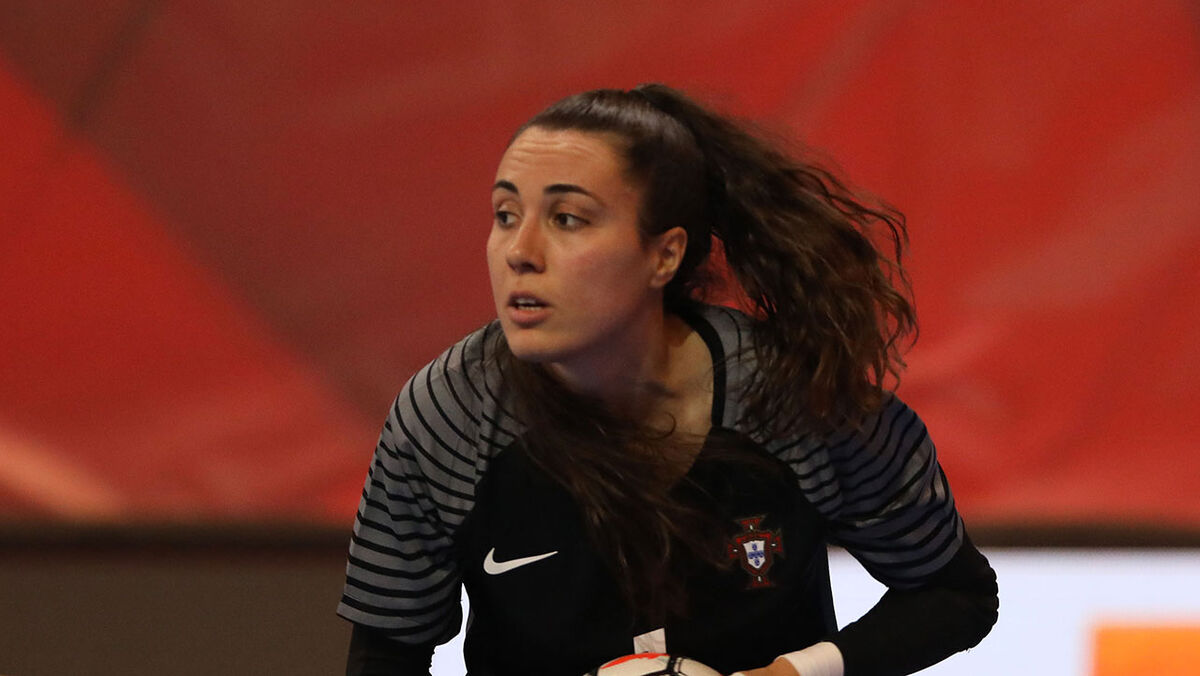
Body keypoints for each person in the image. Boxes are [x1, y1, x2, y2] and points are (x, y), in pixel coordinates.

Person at [337, 84, 999, 676]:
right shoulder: (446, 416)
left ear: (665, 254)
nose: (519, 252)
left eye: (567, 219)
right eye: (506, 215)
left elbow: (954, 593)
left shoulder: (790, 394)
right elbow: (385, 655)